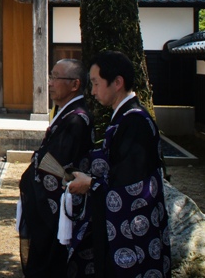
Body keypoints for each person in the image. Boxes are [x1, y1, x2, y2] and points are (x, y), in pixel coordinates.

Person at [67, 51, 171, 278]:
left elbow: (130, 183)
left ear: (117, 82)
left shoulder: (135, 121)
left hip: (133, 231)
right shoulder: (125, 117)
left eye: (96, 83)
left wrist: (91, 183)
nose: (92, 91)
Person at [18, 59, 93, 277]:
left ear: (75, 84)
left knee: (52, 265)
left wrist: (34, 184)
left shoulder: (77, 119)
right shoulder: (67, 114)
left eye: (55, 77)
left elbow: (57, 167)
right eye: (50, 76)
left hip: (54, 209)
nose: (50, 82)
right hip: (48, 206)